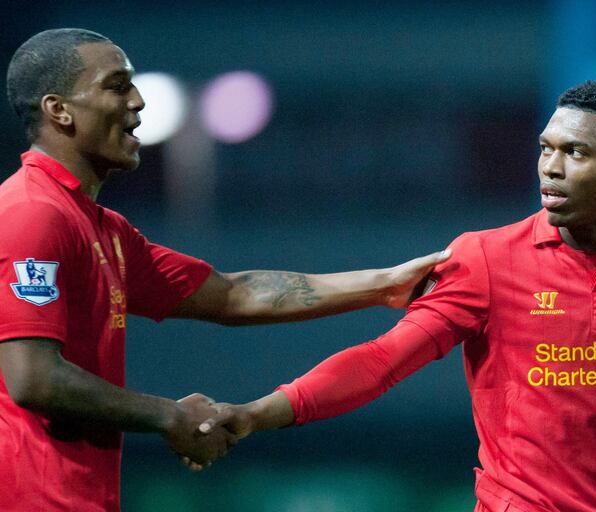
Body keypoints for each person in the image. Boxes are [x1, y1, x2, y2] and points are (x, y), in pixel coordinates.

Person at [200, 81, 596, 511]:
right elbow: (381, 361)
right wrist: (257, 414)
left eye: (576, 153)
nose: (550, 167)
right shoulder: (487, 260)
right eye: (546, 148)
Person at [0, 28, 450, 512]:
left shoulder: (102, 228)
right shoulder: (31, 214)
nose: (138, 102)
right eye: (116, 86)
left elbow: (233, 294)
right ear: (58, 109)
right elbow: (34, 378)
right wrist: (169, 417)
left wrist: (385, 285)